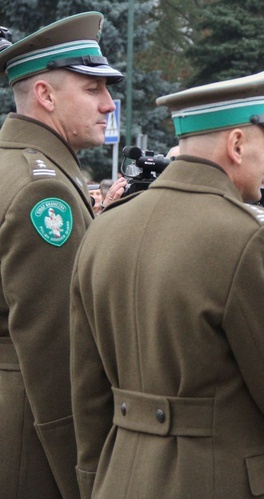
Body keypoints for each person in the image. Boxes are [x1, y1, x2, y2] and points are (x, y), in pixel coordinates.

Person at [70, 69, 264, 498]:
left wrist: (91, 479)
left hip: (119, 477)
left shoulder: (106, 228)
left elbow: (87, 390)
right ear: (236, 144)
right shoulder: (252, 235)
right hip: (213, 481)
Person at [0, 12, 123, 498]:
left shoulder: (16, 167)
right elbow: (57, 350)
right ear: (46, 96)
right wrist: (87, 474)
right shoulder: (42, 192)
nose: (109, 105)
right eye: (92, 89)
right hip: (29, 441)